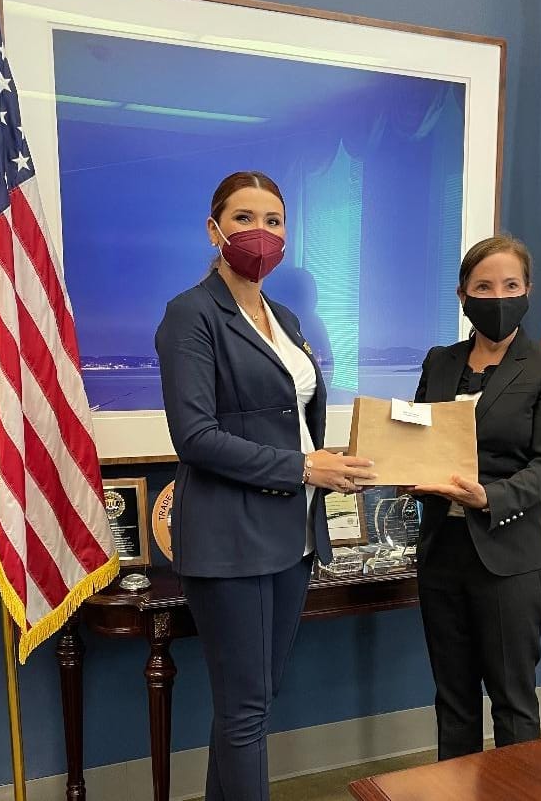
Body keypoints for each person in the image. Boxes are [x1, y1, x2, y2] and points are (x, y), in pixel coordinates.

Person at [155, 171, 375, 801]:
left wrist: (328, 461)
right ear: (214, 229)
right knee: (246, 709)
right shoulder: (190, 315)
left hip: (292, 534)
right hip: (232, 537)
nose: (261, 233)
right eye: (245, 218)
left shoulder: (283, 316)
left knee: (253, 703)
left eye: (274, 220)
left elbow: (290, 424)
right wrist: (305, 469)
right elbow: (194, 436)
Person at [409, 234, 541, 760]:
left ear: (527, 292)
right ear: (463, 295)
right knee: (453, 701)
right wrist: (397, 467)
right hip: (443, 553)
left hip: (509, 556)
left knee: (511, 702)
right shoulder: (439, 361)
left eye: (510, 285)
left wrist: (490, 496)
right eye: (484, 285)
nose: (497, 295)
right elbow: (416, 438)